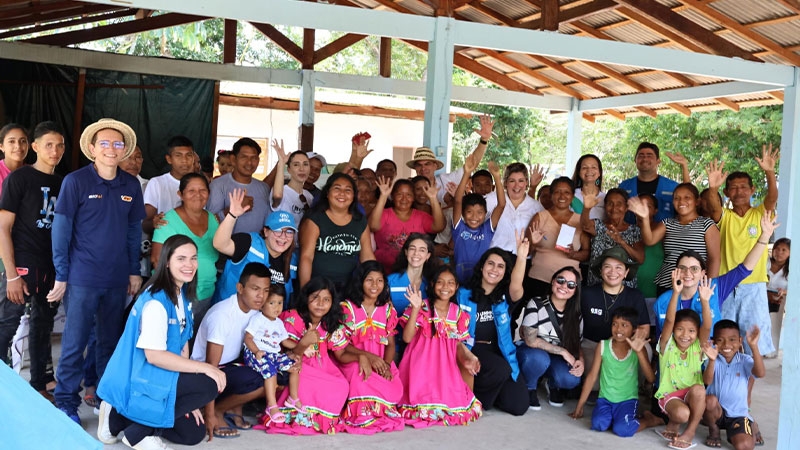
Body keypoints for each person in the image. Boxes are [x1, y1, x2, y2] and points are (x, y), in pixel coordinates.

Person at [49, 118, 145, 425]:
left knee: (109, 342)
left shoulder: (130, 185)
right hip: (81, 278)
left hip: (117, 279)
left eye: (117, 144)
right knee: (75, 343)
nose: (111, 149)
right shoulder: (76, 181)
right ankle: (65, 402)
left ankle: (106, 401)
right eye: (104, 143)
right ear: (92, 148)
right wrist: (62, 274)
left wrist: (134, 271)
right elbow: (61, 232)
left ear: (124, 150)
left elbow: (133, 233)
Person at [96, 235, 225, 450]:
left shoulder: (181, 293)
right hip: (140, 376)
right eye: (181, 259)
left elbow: (183, 344)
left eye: (193, 258)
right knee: (210, 383)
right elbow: (154, 356)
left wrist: (187, 399)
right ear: (166, 262)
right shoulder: (156, 302)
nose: (189, 265)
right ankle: (135, 432)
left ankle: (118, 418)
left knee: (193, 433)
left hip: (159, 375)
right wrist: (205, 369)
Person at [0, 121, 65, 401]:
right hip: (23, 265)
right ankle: (3, 383)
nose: (55, 151)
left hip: (51, 265)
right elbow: (3, 228)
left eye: (60, 145)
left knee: (43, 324)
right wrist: (12, 275)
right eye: (48, 145)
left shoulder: (64, 183)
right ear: (35, 147)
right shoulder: (20, 179)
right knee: (8, 322)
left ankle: (39, 381)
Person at [652, 211, 776, 338]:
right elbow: (661, 340)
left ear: (703, 273)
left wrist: (764, 237)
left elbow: (744, 269)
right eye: (682, 268)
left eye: (694, 269)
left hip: (708, 353)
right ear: (676, 272)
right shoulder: (663, 300)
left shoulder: (714, 287)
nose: (688, 273)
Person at [705, 148, 779, 356]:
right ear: (726, 193)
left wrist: (769, 173)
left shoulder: (760, 213)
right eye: (733, 188)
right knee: (723, 341)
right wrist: (712, 188)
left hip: (754, 286)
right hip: (726, 284)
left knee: (753, 344)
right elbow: (713, 207)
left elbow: (772, 197)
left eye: (744, 187)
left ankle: (746, 389)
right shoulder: (725, 217)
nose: (739, 192)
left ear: (753, 189)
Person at [191, 262, 270, 439]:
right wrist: (210, 416)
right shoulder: (223, 315)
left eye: (266, 290)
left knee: (274, 376)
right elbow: (211, 368)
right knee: (260, 380)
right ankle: (216, 412)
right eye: (255, 289)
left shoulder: (255, 312)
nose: (261, 296)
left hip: (229, 367)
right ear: (240, 288)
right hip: (204, 373)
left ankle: (232, 407)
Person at [399, 265, 482, 427]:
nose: (445, 287)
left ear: (457, 286)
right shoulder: (420, 306)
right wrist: (415, 309)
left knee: (457, 409)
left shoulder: (458, 313)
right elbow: (407, 338)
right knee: (421, 406)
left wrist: (470, 356)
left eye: (451, 283)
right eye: (440, 282)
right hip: (420, 369)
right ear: (431, 284)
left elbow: (457, 342)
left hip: (445, 371)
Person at [267, 277, 349, 435]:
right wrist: (304, 343)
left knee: (342, 385)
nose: (320, 303)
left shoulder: (331, 322)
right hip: (297, 363)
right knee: (301, 378)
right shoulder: (292, 317)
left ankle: (318, 420)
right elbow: (288, 354)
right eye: (315, 298)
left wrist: (364, 358)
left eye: (326, 299)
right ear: (306, 298)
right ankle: (299, 418)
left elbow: (341, 353)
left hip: (323, 365)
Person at [458, 239, 531, 416]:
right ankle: (474, 396)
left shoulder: (505, 297)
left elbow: (517, 286)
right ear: (482, 266)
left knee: (519, 406)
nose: (494, 269)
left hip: (500, 351)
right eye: (490, 264)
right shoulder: (463, 293)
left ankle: (487, 392)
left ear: (506, 272)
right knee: (500, 369)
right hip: (471, 348)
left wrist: (521, 257)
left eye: (500, 266)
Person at [332, 261, 405, 433]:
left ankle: (377, 411)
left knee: (395, 387)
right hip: (354, 361)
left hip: (381, 362)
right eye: (369, 280)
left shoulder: (388, 310)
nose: (375, 285)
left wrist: (386, 365)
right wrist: (369, 357)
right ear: (360, 281)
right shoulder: (347, 308)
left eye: (379, 281)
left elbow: (390, 344)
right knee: (361, 377)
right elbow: (342, 347)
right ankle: (364, 415)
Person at [569, 307, 662, 437]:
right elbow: (591, 377)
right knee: (598, 424)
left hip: (627, 400)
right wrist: (580, 406)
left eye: (624, 325)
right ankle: (617, 418)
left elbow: (651, 378)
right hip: (605, 399)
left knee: (622, 430)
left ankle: (649, 420)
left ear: (634, 329)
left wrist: (639, 352)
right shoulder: (603, 346)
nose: (618, 329)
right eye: (615, 324)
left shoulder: (638, 350)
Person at [653, 269, 713, 450]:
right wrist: (676, 293)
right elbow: (670, 320)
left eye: (691, 331)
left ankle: (690, 432)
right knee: (682, 414)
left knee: (699, 390)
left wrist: (704, 301)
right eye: (680, 330)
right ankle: (675, 421)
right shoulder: (667, 345)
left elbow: (707, 325)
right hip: (670, 396)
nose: (685, 335)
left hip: (693, 395)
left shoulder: (698, 347)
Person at [152, 173, 219, 330]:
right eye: (191, 191)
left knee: (195, 345)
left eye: (203, 190)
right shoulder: (167, 221)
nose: (198, 195)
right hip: (177, 296)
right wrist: (175, 293)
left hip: (206, 293)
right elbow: (157, 260)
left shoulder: (213, 219)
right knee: (175, 343)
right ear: (180, 194)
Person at [628, 182, 720, 294]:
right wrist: (645, 218)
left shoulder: (707, 224)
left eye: (687, 197)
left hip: (694, 285)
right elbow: (649, 240)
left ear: (697, 201)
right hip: (667, 284)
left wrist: (709, 287)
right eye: (677, 198)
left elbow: (714, 259)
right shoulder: (667, 223)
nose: (681, 201)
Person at [580, 247, 650, 393]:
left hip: (624, 344)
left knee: (646, 349)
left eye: (619, 268)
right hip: (592, 345)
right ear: (600, 271)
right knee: (596, 387)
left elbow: (644, 328)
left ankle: (635, 387)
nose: (613, 272)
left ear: (625, 273)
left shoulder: (635, 296)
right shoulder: (587, 293)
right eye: (607, 267)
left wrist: (622, 342)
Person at [517, 267, 584, 409]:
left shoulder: (576, 314)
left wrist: (580, 362)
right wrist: (563, 352)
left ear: (575, 290)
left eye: (571, 285)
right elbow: (530, 340)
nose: (564, 286)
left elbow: (577, 344)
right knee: (538, 359)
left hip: (554, 359)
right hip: (531, 353)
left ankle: (552, 384)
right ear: (553, 281)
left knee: (571, 378)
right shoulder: (536, 302)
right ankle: (530, 386)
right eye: (561, 280)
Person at [212, 191, 297, 305]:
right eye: (277, 230)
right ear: (266, 231)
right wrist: (232, 215)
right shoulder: (248, 242)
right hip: (232, 314)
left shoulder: (292, 260)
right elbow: (220, 244)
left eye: (289, 232)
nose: (283, 236)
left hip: (264, 320)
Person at [298, 173, 375, 290]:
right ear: (327, 193)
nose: (342, 194)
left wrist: (376, 284)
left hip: (349, 287)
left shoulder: (359, 221)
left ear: (354, 196)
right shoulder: (315, 218)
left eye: (348, 190)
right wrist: (306, 292)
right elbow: (306, 257)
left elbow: (367, 258)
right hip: (319, 287)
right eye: (337, 188)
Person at [242, 283, 302, 426]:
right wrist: (256, 351)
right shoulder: (258, 319)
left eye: (280, 303)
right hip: (255, 353)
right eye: (272, 303)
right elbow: (247, 338)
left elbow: (285, 341)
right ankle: (271, 406)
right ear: (262, 305)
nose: (277, 307)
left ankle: (292, 398)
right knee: (271, 371)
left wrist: (302, 348)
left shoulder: (279, 323)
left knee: (295, 367)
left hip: (273, 355)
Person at [702, 320, 765, 449]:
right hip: (716, 412)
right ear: (714, 341)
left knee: (744, 446)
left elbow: (760, 373)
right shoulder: (711, 359)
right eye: (720, 340)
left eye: (732, 339)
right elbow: (707, 381)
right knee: (709, 400)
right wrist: (712, 360)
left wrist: (753, 346)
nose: (727, 344)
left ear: (740, 340)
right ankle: (714, 430)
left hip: (738, 415)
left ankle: (748, 424)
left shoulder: (745, 360)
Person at [407, 115, 493, 205]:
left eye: (427, 164)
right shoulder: (409, 186)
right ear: (415, 168)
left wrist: (484, 140)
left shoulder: (446, 180)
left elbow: (472, 164)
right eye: (419, 165)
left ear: (435, 166)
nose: (423, 168)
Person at [526, 176, 589, 299]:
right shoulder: (539, 217)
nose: (562, 196)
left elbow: (587, 252)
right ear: (551, 195)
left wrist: (574, 255)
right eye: (557, 192)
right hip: (540, 278)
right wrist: (533, 243)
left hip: (569, 283)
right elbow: (526, 250)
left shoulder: (580, 220)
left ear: (572, 196)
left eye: (566, 192)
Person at [370, 177, 445, 271]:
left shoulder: (421, 216)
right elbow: (373, 226)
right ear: (392, 196)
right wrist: (383, 196)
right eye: (399, 194)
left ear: (413, 198)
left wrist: (433, 198)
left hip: (413, 271)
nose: (404, 199)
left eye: (408, 195)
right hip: (383, 270)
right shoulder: (384, 214)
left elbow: (439, 227)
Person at [451, 159, 504, 284]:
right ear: (463, 213)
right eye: (469, 212)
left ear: (485, 214)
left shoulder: (487, 229)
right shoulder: (459, 228)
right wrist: (466, 173)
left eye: (480, 213)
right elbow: (458, 201)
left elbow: (501, 205)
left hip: (481, 282)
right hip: (459, 281)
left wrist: (497, 177)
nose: (474, 217)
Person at [581, 188, 644, 288]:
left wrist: (621, 242)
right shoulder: (599, 225)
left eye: (619, 204)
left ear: (626, 207)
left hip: (624, 288)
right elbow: (585, 225)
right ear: (605, 206)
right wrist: (587, 208)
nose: (614, 208)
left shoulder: (634, 230)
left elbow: (640, 259)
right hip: (597, 286)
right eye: (610, 204)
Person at [207, 137, 271, 234]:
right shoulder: (218, 185)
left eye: (253, 158)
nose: (249, 162)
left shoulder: (264, 188)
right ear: (233, 159)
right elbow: (209, 223)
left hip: (257, 247)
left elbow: (268, 224)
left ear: (258, 161)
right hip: (226, 247)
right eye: (244, 157)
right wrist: (232, 209)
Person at [618, 142, 685, 222]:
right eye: (641, 156)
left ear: (658, 161)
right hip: (630, 234)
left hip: (666, 233)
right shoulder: (624, 186)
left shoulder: (673, 187)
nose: (645, 159)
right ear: (635, 160)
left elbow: (689, 203)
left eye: (649, 156)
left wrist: (684, 166)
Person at [486, 162, 545, 254]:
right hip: (495, 258)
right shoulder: (492, 199)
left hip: (522, 259)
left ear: (526, 183)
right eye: (512, 181)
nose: (517, 186)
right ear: (505, 183)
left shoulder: (536, 207)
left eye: (521, 181)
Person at [142, 136, 195, 233]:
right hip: (165, 242)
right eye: (178, 155)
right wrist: (154, 222)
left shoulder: (198, 184)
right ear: (169, 159)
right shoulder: (156, 183)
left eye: (189, 155)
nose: (184, 160)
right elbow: (145, 224)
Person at [270, 142, 313, 227]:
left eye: (305, 164)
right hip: (283, 239)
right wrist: (281, 163)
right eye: (296, 164)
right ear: (289, 169)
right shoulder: (281, 191)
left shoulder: (309, 196)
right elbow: (277, 196)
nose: (302, 169)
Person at [767, 237, 789, 357]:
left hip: (779, 299)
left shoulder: (790, 269)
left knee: (775, 323)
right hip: (763, 296)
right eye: (777, 249)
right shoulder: (766, 263)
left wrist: (784, 292)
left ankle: (771, 351)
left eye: (784, 250)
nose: (779, 252)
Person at [571, 154, 605, 220]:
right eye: (584, 168)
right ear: (579, 172)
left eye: (594, 167)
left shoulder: (605, 198)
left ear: (599, 173)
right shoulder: (570, 195)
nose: (589, 170)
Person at [0, 123, 29, 199]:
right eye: (12, 141)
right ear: (1, 146)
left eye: (23, 141)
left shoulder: (32, 172)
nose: (18, 146)